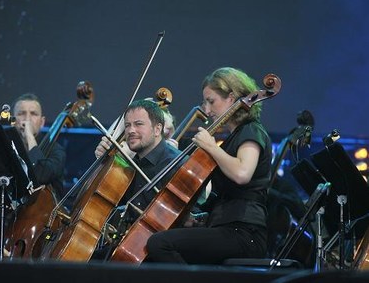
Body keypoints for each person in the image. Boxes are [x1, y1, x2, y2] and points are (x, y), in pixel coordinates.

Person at [145, 67, 272, 265]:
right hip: (228, 228)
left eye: (211, 101)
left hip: (245, 234)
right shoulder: (234, 137)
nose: (206, 109)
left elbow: (242, 173)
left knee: (160, 244)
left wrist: (211, 147)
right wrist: (205, 217)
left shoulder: (251, 131)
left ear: (232, 98)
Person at [92, 99, 183, 259]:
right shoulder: (130, 164)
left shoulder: (175, 163)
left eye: (139, 124)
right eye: (127, 125)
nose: (131, 130)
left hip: (156, 253)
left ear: (157, 129)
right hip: (129, 245)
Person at [12, 93, 66, 199]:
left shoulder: (57, 150)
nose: (27, 119)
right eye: (21, 113)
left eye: (33, 114)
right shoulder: (5, 148)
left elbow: (42, 174)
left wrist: (29, 136)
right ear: (13, 121)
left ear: (42, 122)